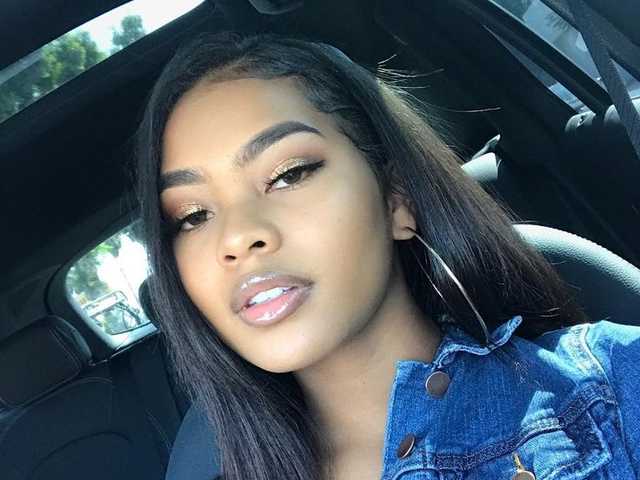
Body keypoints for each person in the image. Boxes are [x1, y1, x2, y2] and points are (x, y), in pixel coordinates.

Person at [134, 32, 640, 480]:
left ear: (397, 199)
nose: (237, 237)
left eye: (289, 174)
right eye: (192, 216)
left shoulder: (608, 389)